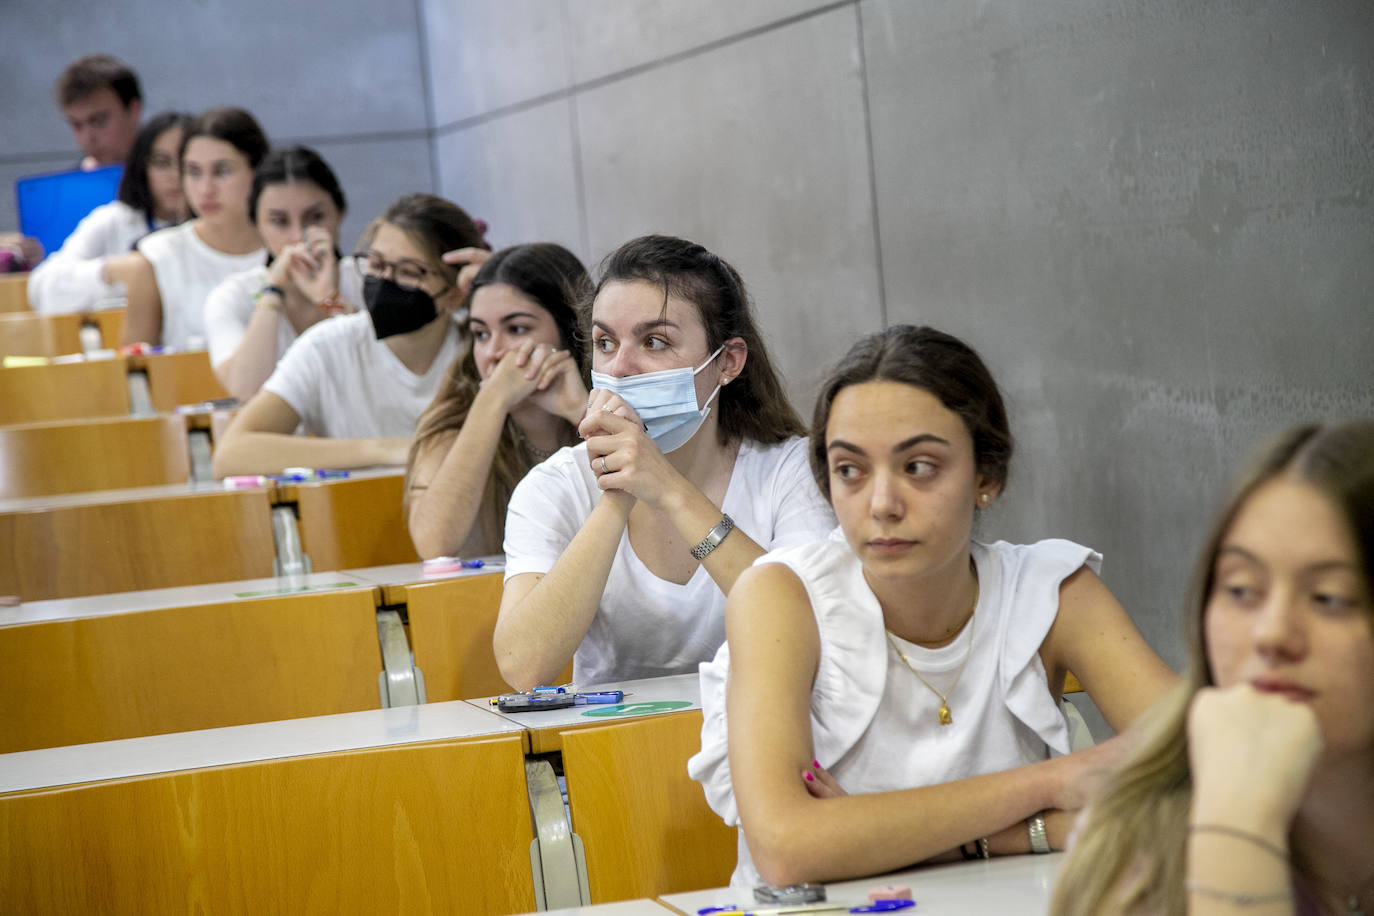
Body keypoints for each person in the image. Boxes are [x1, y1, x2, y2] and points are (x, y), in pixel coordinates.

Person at [687, 324, 1179, 888]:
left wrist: (911, 837)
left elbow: (1216, 769)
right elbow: (787, 849)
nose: (882, 504)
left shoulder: (1051, 589)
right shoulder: (781, 595)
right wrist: (1053, 784)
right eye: (850, 470)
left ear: (986, 476)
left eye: (919, 467)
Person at [1051, 421, 1373, 916]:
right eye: (1241, 590)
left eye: (1329, 598)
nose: (1271, 634)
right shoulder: (1131, 847)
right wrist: (1236, 825)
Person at [493, 235, 836, 691]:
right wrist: (616, 497)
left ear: (728, 362)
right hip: (614, 735)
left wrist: (670, 491)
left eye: (654, 342)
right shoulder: (553, 485)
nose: (620, 367)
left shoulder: (792, 470)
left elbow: (809, 625)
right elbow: (523, 667)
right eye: (605, 342)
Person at [211, 193, 483, 477]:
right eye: (376, 265)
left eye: (409, 272)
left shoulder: (481, 349)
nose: (385, 281)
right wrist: (387, 450)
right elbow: (232, 454)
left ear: (455, 294)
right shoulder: (326, 346)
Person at [406, 243, 592, 559]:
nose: (493, 352)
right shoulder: (450, 425)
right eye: (480, 334)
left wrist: (582, 412)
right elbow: (434, 547)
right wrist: (493, 399)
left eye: (517, 329)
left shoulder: (614, 406)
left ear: (572, 332)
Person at [203, 146, 361, 400]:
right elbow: (246, 390)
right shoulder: (232, 296)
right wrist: (272, 291)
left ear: (340, 213)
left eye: (315, 217)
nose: (298, 236)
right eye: (279, 221)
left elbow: (382, 370)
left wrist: (330, 298)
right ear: (257, 225)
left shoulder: (368, 278)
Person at [109, 107, 268, 349]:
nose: (205, 189)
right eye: (194, 172)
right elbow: (136, 366)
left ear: (257, 171)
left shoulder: (285, 247)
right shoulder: (157, 257)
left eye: (222, 171)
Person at [27, 112, 190, 314]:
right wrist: (112, 271)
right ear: (142, 167)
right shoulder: (113, 219)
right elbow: (42, 289)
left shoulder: (217, 225)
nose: (175, 175)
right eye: (162, 163)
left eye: (187, 165)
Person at [54, 54, 143, 170]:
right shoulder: (77, 179)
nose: (87, 138)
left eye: (99, 121)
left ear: (134, 111)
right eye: (77, 125)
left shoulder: (166, 174)